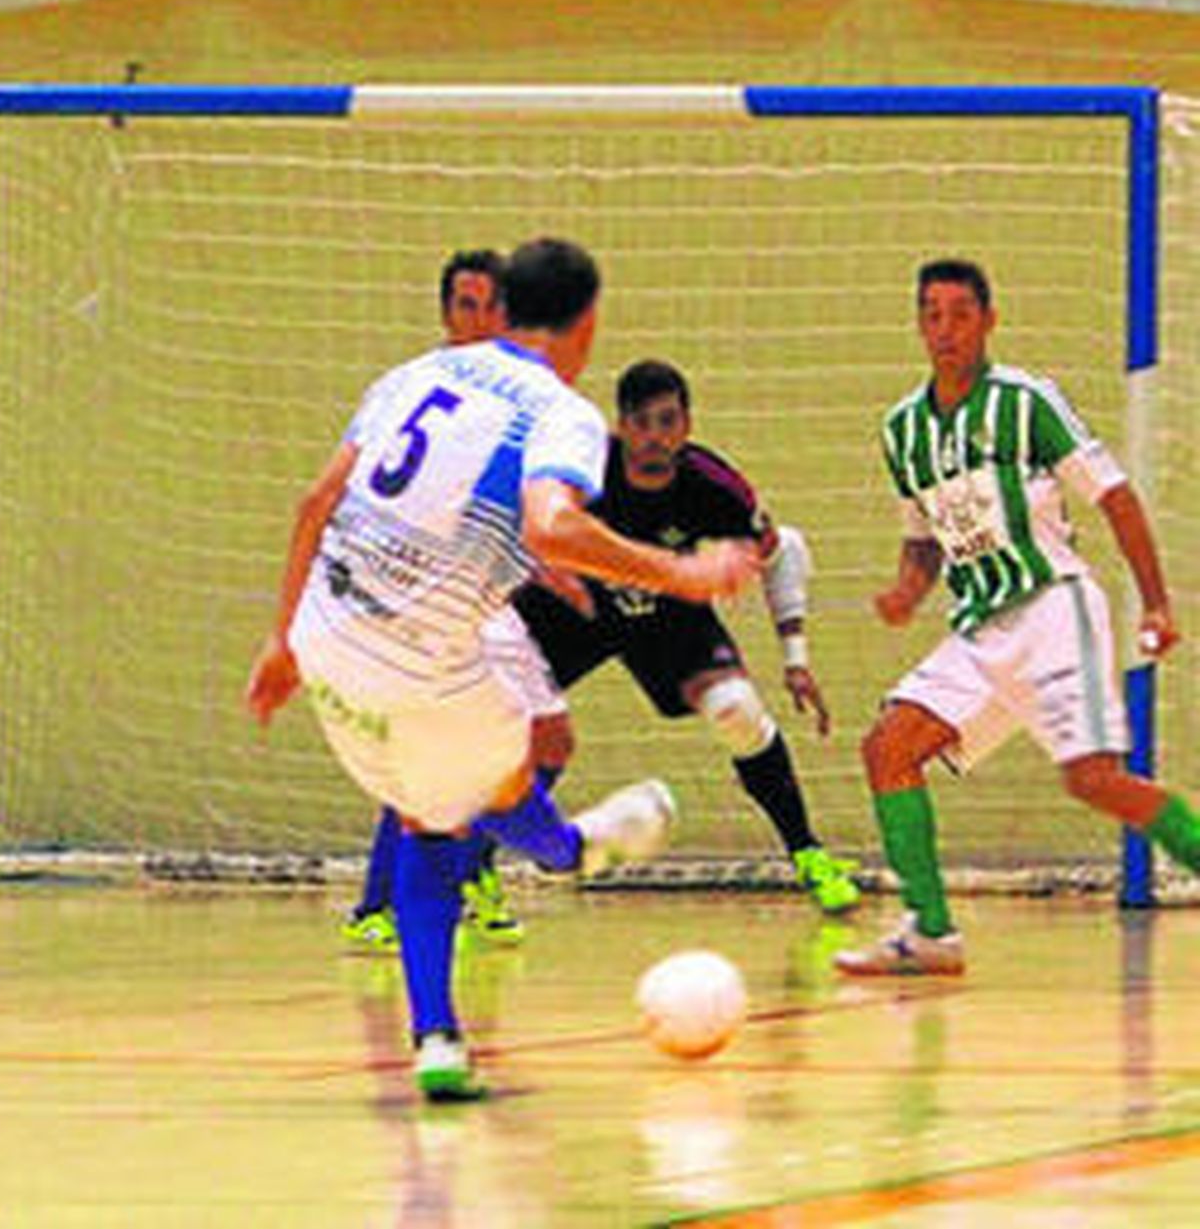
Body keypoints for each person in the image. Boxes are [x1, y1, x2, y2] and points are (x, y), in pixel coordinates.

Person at [246, 236, 761, 1101]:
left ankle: (437, 1035)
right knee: (507, 777)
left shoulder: (413, 373)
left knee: (425, 818)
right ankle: (569, 851)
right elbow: (555, 526)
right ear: (586, 324)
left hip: (326, 638)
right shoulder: (560, 413)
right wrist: (687, 573)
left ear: (506, 306)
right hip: (424, 662)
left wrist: (279, 642)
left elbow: (315, 501)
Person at [835, 257, 1200, 976]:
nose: (945, 329)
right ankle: (930, 930)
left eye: (960, 313)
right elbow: (923, 538)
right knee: (888, 748)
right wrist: (907, 590)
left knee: (1094, 778)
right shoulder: (902, 431)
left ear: (989, 320)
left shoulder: (1027, 401)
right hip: (982, 626)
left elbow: (1116, 496)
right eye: (931, 314)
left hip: (1053, 608)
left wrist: (1155, 600)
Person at [513, 359, 860, 913]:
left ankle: (807, 854)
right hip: (576, 608)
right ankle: (473, 873)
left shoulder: (714, 488)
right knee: (510, 729)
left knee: (737, 710)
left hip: (670, 617)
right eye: (642, 422)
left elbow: (781, 549)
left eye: (667, 421)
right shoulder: (582, 469)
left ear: (687, 424)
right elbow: (523, 523)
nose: (655, 436)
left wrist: (795, 658)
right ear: (621, 425)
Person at [341, 250, 575, 954]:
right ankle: (378, 905)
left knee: (548, 738)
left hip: (485, 596)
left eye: (491, 306)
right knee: (430, 750)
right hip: (419, 589)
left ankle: (469, 866)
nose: (479, 318)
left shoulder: (524, 396)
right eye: (465, 305)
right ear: (446, 314)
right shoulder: (415, 388)